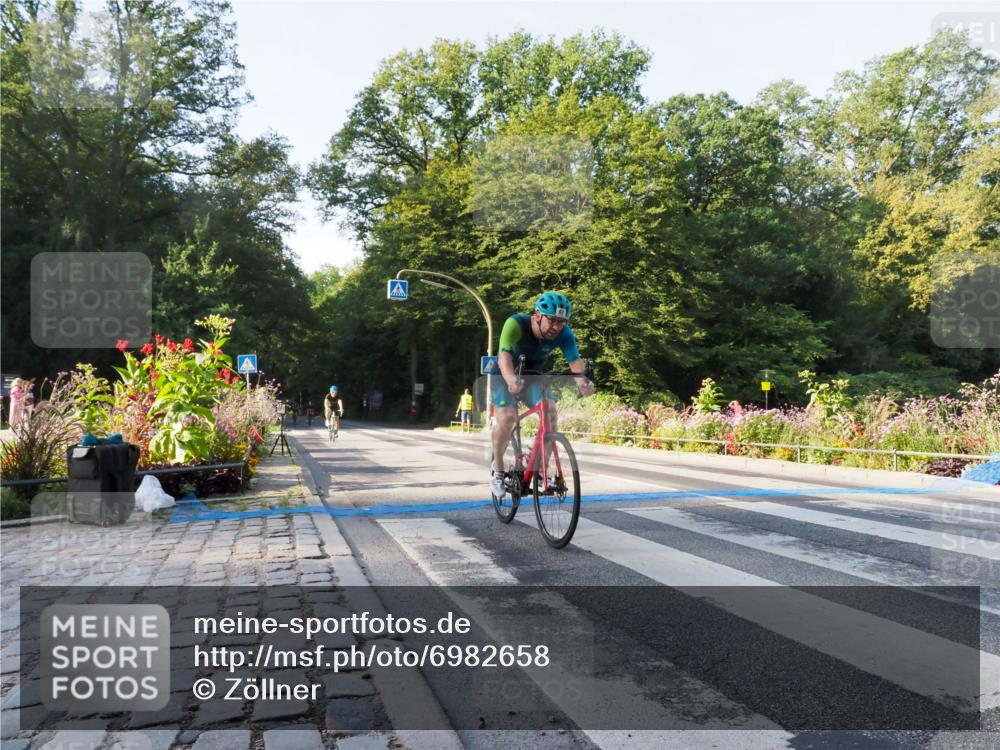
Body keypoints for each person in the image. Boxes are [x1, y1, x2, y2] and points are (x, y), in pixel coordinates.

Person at [490, 292, 594, 499]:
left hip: (535, 377)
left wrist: (583, 381)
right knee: (508, 417)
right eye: (553, 320)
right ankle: (498, 469)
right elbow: (504, 357)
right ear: (538, 315)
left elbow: (574, 361)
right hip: (505, 373)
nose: (557, 326)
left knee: (551, 412)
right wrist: (511, 380)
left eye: (562, 321)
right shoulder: (516, 324)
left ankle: (538, 466)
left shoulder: (564, 333)